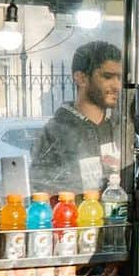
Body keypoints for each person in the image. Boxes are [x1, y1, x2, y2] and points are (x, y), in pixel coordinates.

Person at [29, 41, 122, 196]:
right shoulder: (55, 133)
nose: (117, 86)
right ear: (81, 78)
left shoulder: (122, 127)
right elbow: (42, 192)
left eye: (119, 77)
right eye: (108, 77)